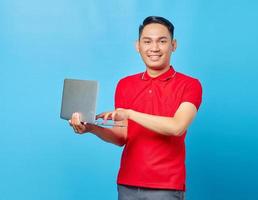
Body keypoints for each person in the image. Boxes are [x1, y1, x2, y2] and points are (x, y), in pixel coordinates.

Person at [69, 16, 202, 200]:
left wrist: (130, 114)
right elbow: (121, 136)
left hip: (165, 186)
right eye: (147, 41)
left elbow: (177, 127)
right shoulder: (125, 85)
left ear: (173, 45)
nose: (154, 48)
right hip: (127, 183)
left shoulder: (190, 85)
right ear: (138, 46)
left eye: (162, 41)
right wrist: (90, 127)